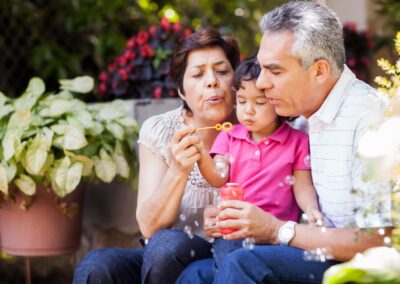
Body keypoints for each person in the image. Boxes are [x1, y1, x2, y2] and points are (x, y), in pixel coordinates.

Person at [177, 2, 394, 283]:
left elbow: (382, 241)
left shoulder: (371, 121)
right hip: (314, 250)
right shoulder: (302, 117)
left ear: (319, 71)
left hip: (354, 266)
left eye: (275, 71)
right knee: (194, 274)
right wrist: (229, 217)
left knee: (243, 264)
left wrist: (276, 229)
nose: (263, 84)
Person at [73, 28, 240, 284]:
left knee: (166, 245)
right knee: (98, 265)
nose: (212, 81)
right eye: (197, 74)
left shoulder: (254, 128)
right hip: (161, 260)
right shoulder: (161, 130)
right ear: (182, 90)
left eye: (222, 71)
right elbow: (149, 227)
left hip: (225, 255)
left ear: (236, 79)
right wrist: (178, 170)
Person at [196, 55, 323, 270]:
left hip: (276, 233)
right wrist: (200, 153)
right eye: (242, 101)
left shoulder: (298, 141)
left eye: (260, 102)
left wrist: (311, 209)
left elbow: (302, 185)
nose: (248, 110)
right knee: (230, 258)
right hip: (235, 229)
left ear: (277, 101)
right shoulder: (229, 136)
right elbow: (219, 176)